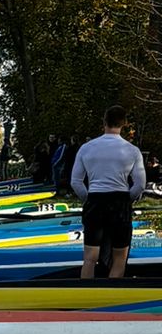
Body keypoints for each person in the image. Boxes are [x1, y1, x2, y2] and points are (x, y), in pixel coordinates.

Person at [70, 106, 147, 281]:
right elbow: (140, 184)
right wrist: (127, 200)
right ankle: (112, 297)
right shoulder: (132, 150)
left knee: (90, 258)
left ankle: (85, 297)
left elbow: (76, 181)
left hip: (95, 199)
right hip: (120, 201)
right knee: (119, 258)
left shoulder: (86, 148)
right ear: (124, 124)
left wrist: (88, 199)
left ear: (104, 122)